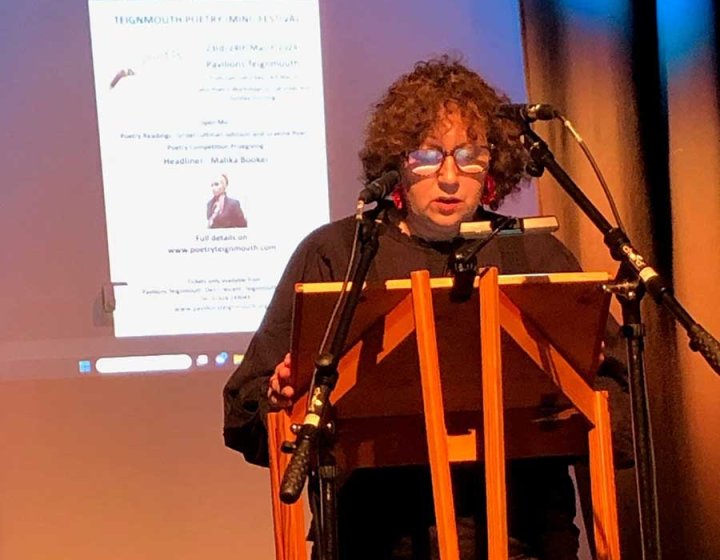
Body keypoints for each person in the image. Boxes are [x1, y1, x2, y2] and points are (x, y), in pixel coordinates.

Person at [223, 55, 630, 559]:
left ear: (493, 164)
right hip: (378, 539)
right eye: (429, 155)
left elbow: (617, 401)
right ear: (396, 161)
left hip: (523, 537)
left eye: (469, 155)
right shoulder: (340, 253)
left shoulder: (535, 253)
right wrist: (283, 396)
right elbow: (246, 411)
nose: (450, 177)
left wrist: (576, 407)